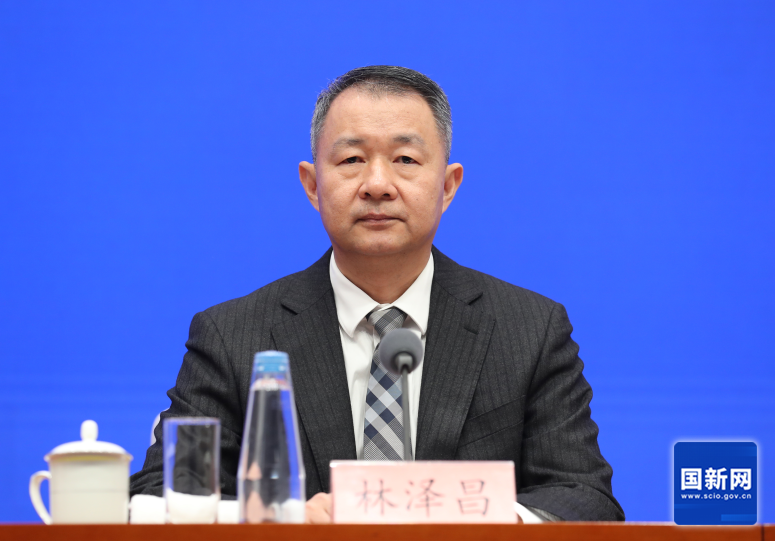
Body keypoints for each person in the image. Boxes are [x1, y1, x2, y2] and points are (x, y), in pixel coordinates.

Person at [129, 65, 624, 523]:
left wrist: (482, 519)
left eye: (405, 159)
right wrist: (285, 518)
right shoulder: (233, 336)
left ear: (448, 185)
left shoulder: (529, 330)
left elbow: (584, 496)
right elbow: (157, 495)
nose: (378, 184)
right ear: (312, 185)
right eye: (352, 159)